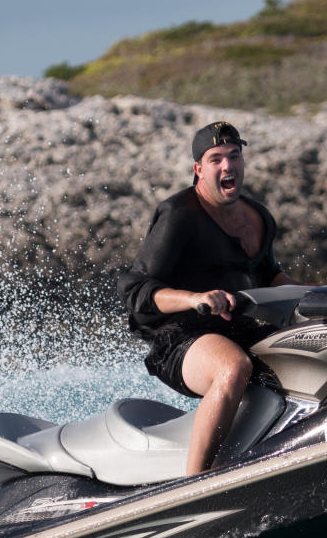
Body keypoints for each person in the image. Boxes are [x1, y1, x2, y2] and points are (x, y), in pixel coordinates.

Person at [118, 121, 299, 475]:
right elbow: (135, 289)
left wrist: (316, 296)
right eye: (216, 159)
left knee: (306, 347)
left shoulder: (257, 217)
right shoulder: (179, 216)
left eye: (234, 156)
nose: (228, 166)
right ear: (198, 169)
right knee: (233, 369)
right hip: (178, 338)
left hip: (236, 327)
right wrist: (194, 298)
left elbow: (268, 275)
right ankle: (194, 484)